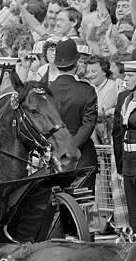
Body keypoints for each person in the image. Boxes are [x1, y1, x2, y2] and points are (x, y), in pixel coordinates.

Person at [49, 38, 98, 191]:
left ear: (56, 64)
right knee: (83, 207)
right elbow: (88, 125)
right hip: (82, 157)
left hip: (55, 157)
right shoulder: (87, 90)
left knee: (55, 208)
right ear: (76, 63)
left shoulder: (46, 91)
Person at [113, 59, 136, 229]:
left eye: (130, 75)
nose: (125, 79)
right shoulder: (124, 98)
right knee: (133, 214)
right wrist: (120, 167)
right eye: (125, 74)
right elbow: (118, 133)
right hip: (128, 162)